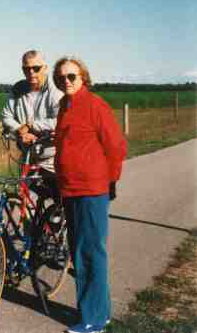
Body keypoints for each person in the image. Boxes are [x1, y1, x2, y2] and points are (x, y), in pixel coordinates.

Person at [53, 57, 127, 333]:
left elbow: (116, 146)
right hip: (69, 187)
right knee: (82, 250)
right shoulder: (64, 105)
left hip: (91, 188)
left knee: (88, 253)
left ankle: (92, 321)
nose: (66, 81)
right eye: (61, 78)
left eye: (71, 76)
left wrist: (110, 180)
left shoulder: (95, 105)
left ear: (83, 77)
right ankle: (101, 312)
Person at [1, 50, 63, 197]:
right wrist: (19, 130)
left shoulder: (56, 90)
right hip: (27, 155)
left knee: (59, 201)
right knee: (25, 199)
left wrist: (31, 126)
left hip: (52, 157)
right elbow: (6, 115)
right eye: (26, 69)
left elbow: (60, 119)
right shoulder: (18, 88)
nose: (31, 72)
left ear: (45, 68)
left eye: (36, 68)